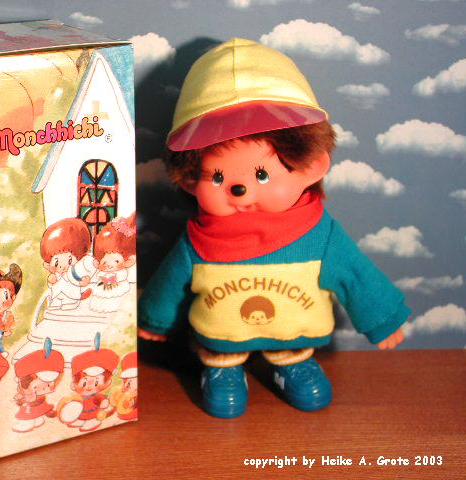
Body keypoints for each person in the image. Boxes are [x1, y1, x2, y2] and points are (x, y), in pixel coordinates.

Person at [139, 39, 408, 418]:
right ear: (189, 179)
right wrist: (157, 319)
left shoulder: (318, 233)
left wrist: (382, 319)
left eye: (261, 174)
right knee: (220, 361)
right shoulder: (199, 240)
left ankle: (292, 364)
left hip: (294, 332)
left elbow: (355, 274)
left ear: (309, 167)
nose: (240, 190)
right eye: (218, 176)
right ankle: (223, 370)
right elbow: (172, 281)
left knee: (300, 365)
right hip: (220, 336)